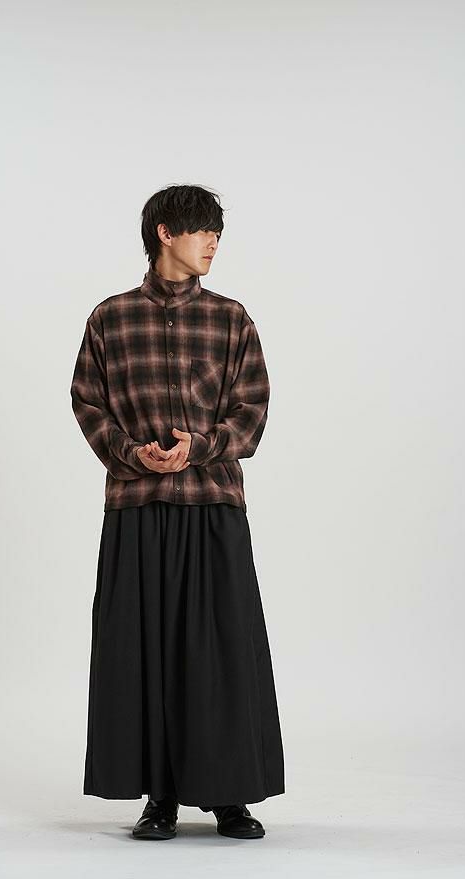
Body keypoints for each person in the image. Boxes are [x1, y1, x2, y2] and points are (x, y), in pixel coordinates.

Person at [70, 183, 285, 840]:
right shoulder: (110, 318)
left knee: (222, 650)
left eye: (218, 232)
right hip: (136, 505)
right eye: (202, 230)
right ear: (166, 233)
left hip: (212, 503)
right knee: (143, 651)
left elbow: (252, 408)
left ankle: (229, 796)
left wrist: (201, 446)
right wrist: (131, 453)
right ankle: (159, 797)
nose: (214, 242)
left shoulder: (231, 319)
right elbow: (87, 401)